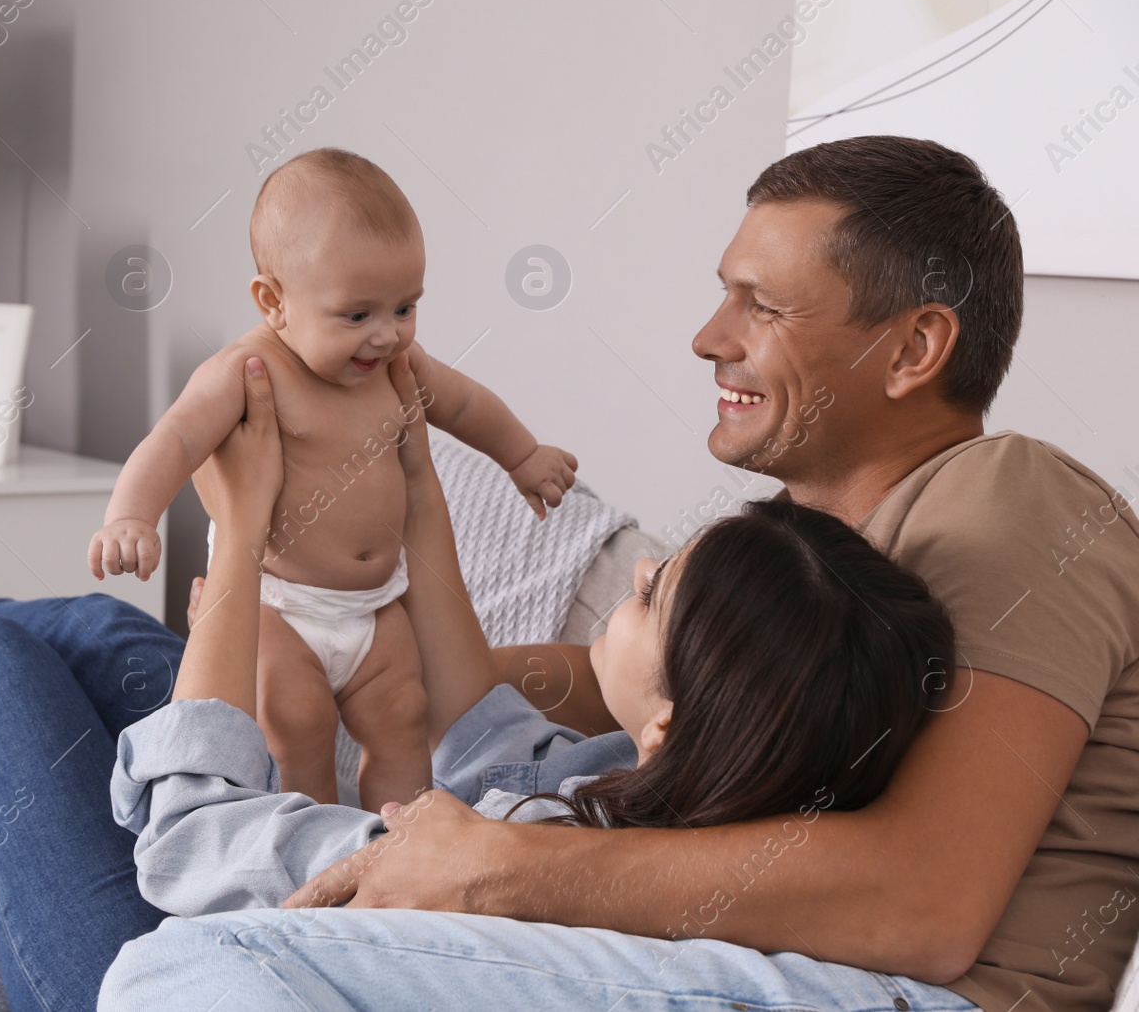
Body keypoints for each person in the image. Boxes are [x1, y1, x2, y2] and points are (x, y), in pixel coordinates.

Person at [101, 136, 1139, 1012]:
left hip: (889, 990)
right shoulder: (806, 540)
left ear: (914, 348)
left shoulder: (1013, 499)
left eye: (759, 305)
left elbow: (924, 901)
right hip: (730, 933)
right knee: (113, 663)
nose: (706, 337)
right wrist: (336, 661)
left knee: (189, 944)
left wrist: (501, 868)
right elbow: (605, 686)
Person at [99, 351, 958, 932]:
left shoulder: (509, 851)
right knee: (91, 633)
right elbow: (481, 725)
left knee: (9, 663)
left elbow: (187, 843)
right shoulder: (633, 783)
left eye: (654, 595)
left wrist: (242, 530)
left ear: (671, 718)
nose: (637, 573)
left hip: (154, 914)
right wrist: (415, 481)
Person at [86, 147, 577, 811]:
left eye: (405, 307)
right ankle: (312, 844)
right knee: (299, 723)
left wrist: (521, 454)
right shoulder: (248, 372)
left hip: (375, 605)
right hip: (281, 604)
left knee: (405, 714)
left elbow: (463, 404)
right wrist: (131, 515)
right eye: (357, 315)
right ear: (274, 301)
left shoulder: (400, 366)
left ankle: (394, 848)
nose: (387, 335)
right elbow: (175, 439)